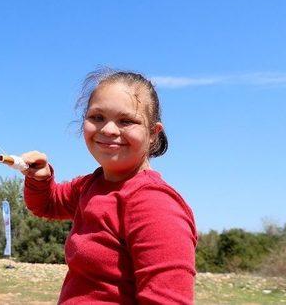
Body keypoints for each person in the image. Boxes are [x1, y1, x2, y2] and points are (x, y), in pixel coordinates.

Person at [20, 68, 197, 304]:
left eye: (126, 121)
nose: (108, 129)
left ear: (153, 134)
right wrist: (39, 178)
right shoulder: (90, 185)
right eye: (97, 117)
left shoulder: (155, 204)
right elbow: (48, 204)